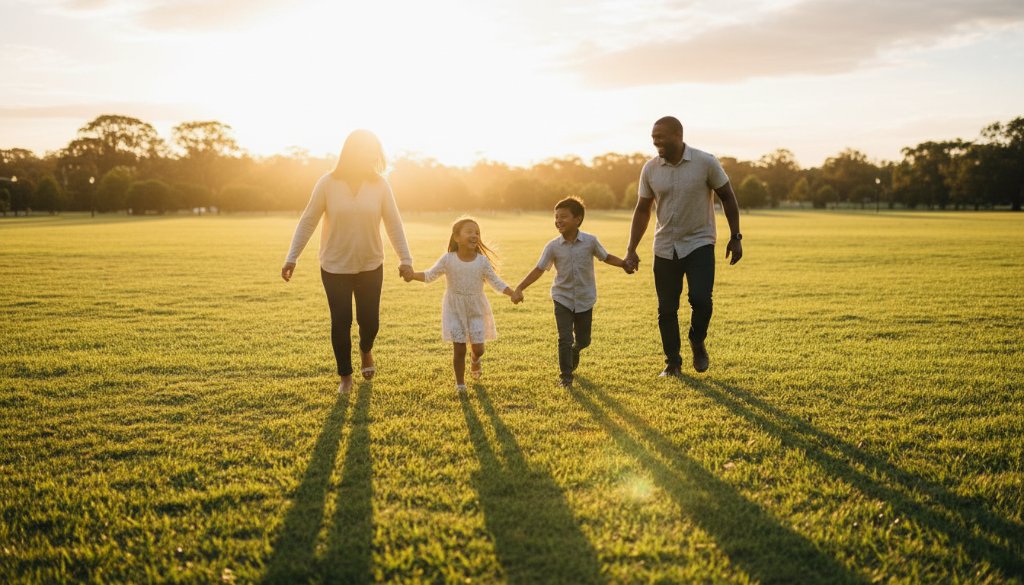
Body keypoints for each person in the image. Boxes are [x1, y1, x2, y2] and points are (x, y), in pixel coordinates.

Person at [281, 129, 413, 394]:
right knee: (341, 321)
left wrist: (405, 258)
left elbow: (394, 223)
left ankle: (366, 349)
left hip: (370, 264)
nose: (369, 156)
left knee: (370, 322)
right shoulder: (327, 183)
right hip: (334, 266)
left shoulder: (380, 185)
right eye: (363, 150)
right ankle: (345, 376)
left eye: (372, 151)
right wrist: (291, 257)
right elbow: (308, 221)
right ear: (350, 152)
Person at [624, 116, 743, 377]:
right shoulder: (650, 169)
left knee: (701, 300)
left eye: (661, 135)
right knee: (666, 308)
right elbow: (642, 210)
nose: (655, 140)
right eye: (653, 136)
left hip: (699, 242)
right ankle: (673, 363)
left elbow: (727, 197)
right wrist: (631, 248)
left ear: (678, 135)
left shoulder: (705, 162)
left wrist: (735, 236)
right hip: (665, 246)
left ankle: (697, 340)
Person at [513, 196, 632, 388]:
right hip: (562, 298)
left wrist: (624, 264)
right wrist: (519, 288)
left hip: (585, 298)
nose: (558, 220)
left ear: (578, 219)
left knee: (584, 340)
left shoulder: (590, 241)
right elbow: (539, 269)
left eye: (563, 216)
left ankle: (576, 350)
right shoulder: (552, 246)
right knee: (565, 338)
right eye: (556, 217)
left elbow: (606, 257)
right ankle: (566, 377)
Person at [403, 217, 516, 393]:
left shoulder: (482, 261)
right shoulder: (448, 259)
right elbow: (430, 275)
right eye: (470, 232)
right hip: (454, 308)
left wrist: (512, 293)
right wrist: (412, 276)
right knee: (459, 346)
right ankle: (460, 384)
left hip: (476, 308)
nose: (475, 235)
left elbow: (496, 282)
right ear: (456, 237)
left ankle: (475, 359)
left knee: (478, 349)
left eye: (477, 232)